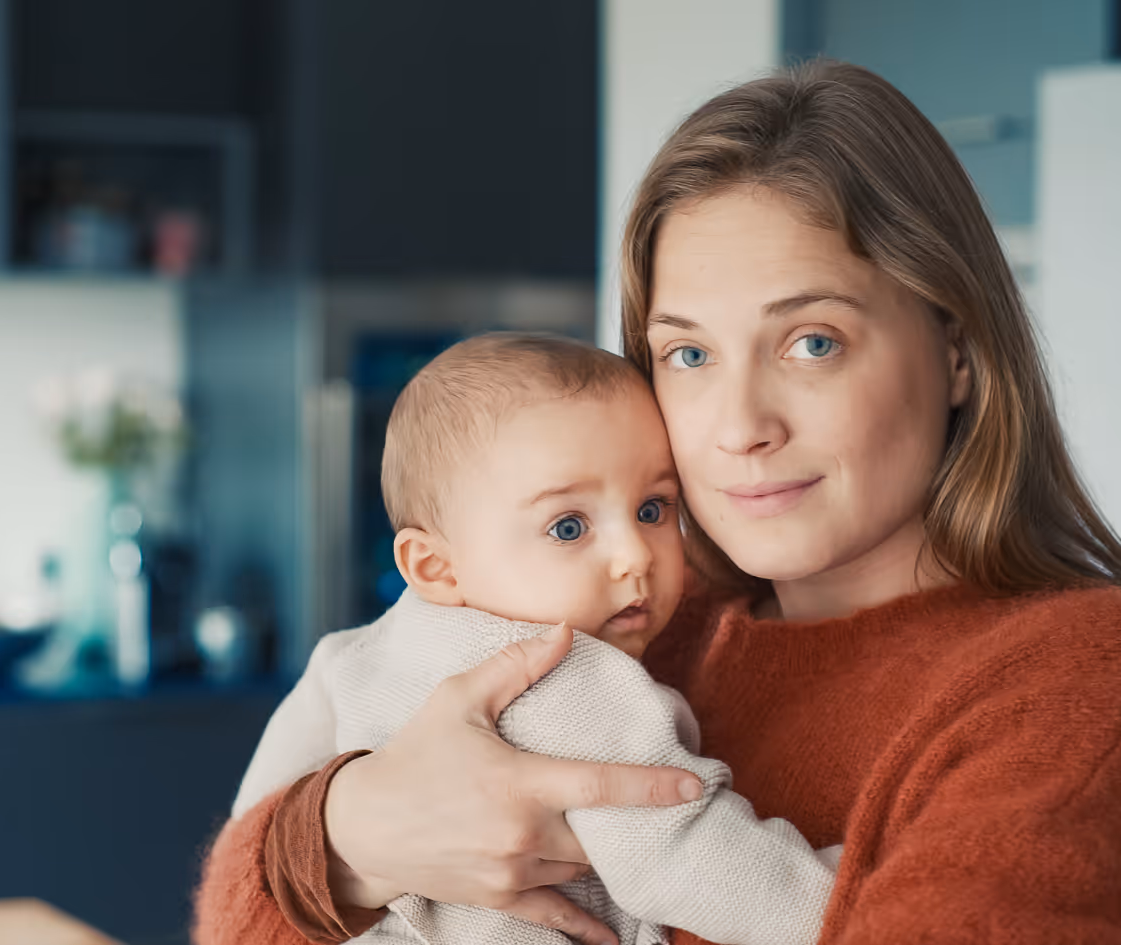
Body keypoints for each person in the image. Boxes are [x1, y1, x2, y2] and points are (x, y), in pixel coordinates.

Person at [194, 61, 1121, 945]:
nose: (739, 426)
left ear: (954, 350)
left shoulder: (1072, 681)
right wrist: (353, 834)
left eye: (811, 342)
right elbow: (226, 925)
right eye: (688, 354)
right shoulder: (635, 624)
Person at [231, 333, 841, 945]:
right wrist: (839, 891)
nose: (633, 555)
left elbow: (255, 835)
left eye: (653, 510)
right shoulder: (572, 677)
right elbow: (684, 858)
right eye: (568, 526)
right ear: (435, 567)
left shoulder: (347, 658)